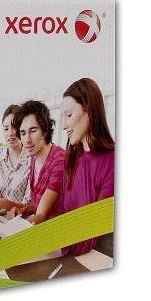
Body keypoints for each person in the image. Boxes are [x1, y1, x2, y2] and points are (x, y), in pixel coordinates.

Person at [0, 100, 63, 252]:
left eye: (33, 131)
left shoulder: (58, 160)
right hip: (36, 234)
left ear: (45, 131)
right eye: (23, 133)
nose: (27, 139)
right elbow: (35, 205)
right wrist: (22, 211)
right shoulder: (35, 158)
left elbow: (40, 216)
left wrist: (1, 232)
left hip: (58, 240)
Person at [56, 78, 115, 256]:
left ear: (88, 110)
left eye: (69, 115)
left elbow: (94, 229)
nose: (64, 125)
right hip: (69, 249)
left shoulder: (112, 161)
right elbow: (63, 215)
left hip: (97, 256)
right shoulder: (72, 159)